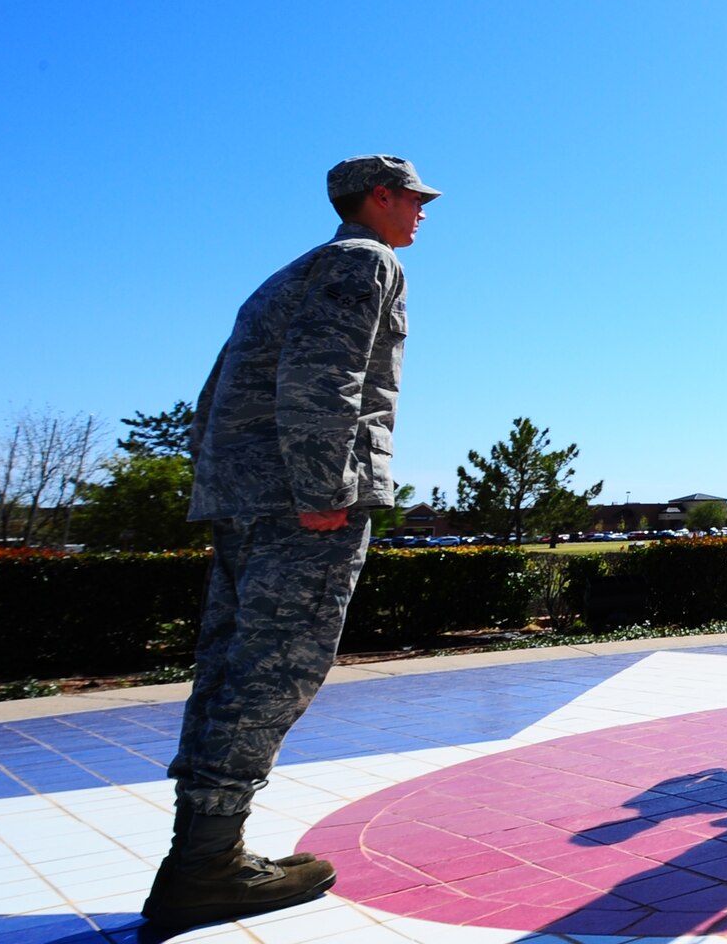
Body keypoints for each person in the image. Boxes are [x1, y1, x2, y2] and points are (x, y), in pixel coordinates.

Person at [143, 155, 438, 939]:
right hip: (300, 505)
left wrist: (221, 489)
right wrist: (322, 492)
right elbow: (325, 378)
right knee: (275, 672)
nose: (423, 212)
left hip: (243, 499)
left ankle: (200, 850)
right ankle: (207, 863)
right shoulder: (364, 262)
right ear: (379, 197)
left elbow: (213, 396)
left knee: (229, 669)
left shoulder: (291, 273)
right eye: (414, 198)